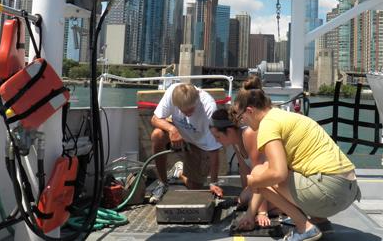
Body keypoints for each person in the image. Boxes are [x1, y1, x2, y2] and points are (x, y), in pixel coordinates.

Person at [231, 76, 360, 241]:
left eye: (241, 117)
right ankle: (321, 222)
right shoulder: (285, 116)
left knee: (258, 175)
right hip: (348, 189)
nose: (242, 122)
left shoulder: (268, 125)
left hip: (331, 191)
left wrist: (251, 182)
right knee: (271, 172)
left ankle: (305, 228)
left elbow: (277, 174)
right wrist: (251, 214)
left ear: (250, 111)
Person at [149, 83, 223, 204]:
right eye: (183, 110)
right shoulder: (172, 92)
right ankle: (162, 182)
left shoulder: (209, 108)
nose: (188, 113)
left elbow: (214, 150)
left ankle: (178, 173)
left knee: (195, 187)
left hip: (198, 141)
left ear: (197, 99)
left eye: (191, 110)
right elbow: (155, 119)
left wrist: (214, 183)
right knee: (157, 135)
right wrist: (172, 130)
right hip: (178, 132)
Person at [209, 108, 271, 228]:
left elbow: (260, 173)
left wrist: (262, 212)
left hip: (275, 180)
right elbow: (244, 171)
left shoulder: (249, 134)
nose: (216, 141)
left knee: (263, 207)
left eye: (218, 136)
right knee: (242, 199)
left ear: (230, 131)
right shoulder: (235, 142)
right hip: (264, 184)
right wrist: (245, 196)